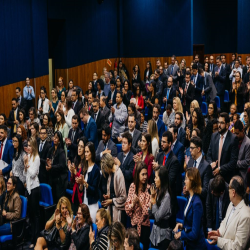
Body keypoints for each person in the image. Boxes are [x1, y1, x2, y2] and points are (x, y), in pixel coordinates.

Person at [208, 176, 250, 249]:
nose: (227, 190)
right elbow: (225, 222)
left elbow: (237, 247)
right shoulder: (231, 204)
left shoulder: (245, 216)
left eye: (229, 188)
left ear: (233, 192)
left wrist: (219, 241)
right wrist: (219, 232)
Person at [173, 168, 206, 250]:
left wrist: (181, 234)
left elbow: (195, 234)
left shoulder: (197, 203)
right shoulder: (190, 198)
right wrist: (182, 225)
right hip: (190, 245)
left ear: (192, 181)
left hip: (197, 247)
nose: (184, 181)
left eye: (186, 179)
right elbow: (190, 224)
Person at [153, 131, 181, 214]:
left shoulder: (174, 161)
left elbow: (170, 181)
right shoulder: (159, 155)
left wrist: (159, 169)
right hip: (158, 196)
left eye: (164, 142)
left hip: (169, 200)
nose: (162, 144)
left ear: (170, 144)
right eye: (161, 141)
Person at [207, 112, 239, 183]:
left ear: (227, 125)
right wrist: (211, 163)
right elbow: (208, 154)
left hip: (226, 178)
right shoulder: (213, 136)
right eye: (218, 122)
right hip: (213, 176)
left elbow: (233, 162)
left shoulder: (233, 139)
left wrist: (220, 169)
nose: (219, 125)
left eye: (221, 123)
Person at [126, 162, 150, 250]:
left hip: (144, 227)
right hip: (134, 227)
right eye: (143, 174)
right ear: (137, 174)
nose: (145, 177)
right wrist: (133, 204)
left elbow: (147, 212)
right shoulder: (132, 187)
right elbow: (127, 210)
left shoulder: (148, 189)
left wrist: (139, 203)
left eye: (146, 174)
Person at [149, 166, 172, 249]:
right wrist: (152, 198)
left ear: (162, 179)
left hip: (163, 236)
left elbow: (158, 217)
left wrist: (154, 202)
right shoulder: (157, 191)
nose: (154, 180)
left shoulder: (167, 196)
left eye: (156, 177)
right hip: (154, 233)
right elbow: (150, 213)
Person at [23, 137, 40, 248]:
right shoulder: (28, 157)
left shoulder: (36, 158)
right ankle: (31, 237)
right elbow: (25, 174)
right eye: (27, 145)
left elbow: (33, 173)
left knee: (35, 216)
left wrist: (27, 165)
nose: (28, 147)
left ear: (33, 146)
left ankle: (36, 239)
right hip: (29, 188)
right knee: (31, 215)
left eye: (29, 145)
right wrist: (25, 166)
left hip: (35, 188)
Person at [100, 153, 127, 222]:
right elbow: (114, 192)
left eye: (104, 168)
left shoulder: (119, 174)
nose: (105, 171)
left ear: (107, 166)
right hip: (112, 210)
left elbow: (123, 197)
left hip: (119, 213)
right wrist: (108, 196)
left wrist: (111, 201)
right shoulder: (111, 174)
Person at [81, 142, 100, 222]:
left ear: (92, 153)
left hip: (92, 205)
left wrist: (84, 182)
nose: (85, 154)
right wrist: (81, 183)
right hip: (84, 202)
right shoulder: (85, 167)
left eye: (87, 152)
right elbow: (82, 189)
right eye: (85, 151)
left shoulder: (96, 169)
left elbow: (94, 190)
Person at [46, 131, 68, 203]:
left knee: (58, 200)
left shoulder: (61, 151)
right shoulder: (50, 150)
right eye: (54, 137)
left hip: (59, 179)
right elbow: (48, 161)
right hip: (52, 177)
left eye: (57, 138)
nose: (54, 139)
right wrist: (47, 165)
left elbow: (62, 165)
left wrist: (51, 167)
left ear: (59, 140)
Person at [68, 137, 87, 214]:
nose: (79, 148)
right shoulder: (76, 159)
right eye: (78, 146)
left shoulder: (86, 163)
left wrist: (75, 172)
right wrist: (72, 173)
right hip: (75, 194)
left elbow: (83, 179)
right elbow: (72, 181)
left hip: (82, 196)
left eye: (82, 147)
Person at [233, 120, 250, 187]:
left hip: (242, 173)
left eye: (237, 133)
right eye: (234, 133)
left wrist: (234, 163)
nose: (235, 135)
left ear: (242, 131)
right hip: (233, 171)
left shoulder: (248, 143)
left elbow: (247, 162)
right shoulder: (234, 139)